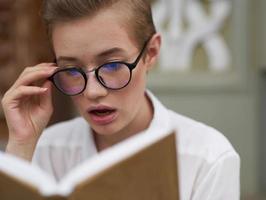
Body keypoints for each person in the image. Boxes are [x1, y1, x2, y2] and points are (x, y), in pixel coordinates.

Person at [1, 0, 240, 199]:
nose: (92, 92)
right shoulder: (44, 150)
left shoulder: (208, 158)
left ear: (151, 53)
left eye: (113, 65)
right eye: (72, 71)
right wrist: (21, 146)